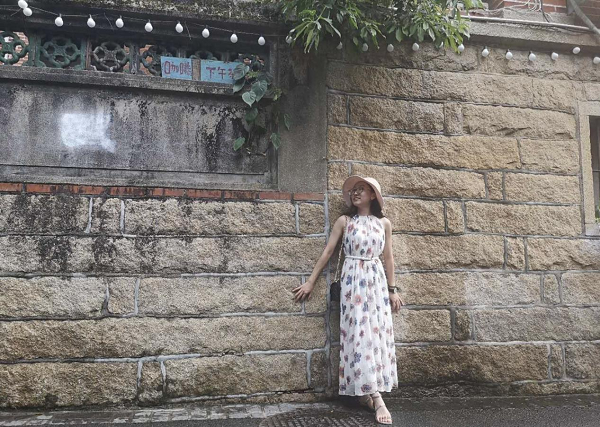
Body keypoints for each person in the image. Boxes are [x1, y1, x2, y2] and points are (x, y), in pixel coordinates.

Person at [293, 175, 404, 425]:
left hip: (376, 282)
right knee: (359, 335)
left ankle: (367, 391)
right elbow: (328, 252)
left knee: (376, 336)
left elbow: (388, 258)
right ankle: (377, 398)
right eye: (353, 190)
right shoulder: (345, 221)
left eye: (361, 189)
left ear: (373, 195)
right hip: (353, 282)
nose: (355, 193)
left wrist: (392, 289)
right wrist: (311, 281)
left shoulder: (384, 223)